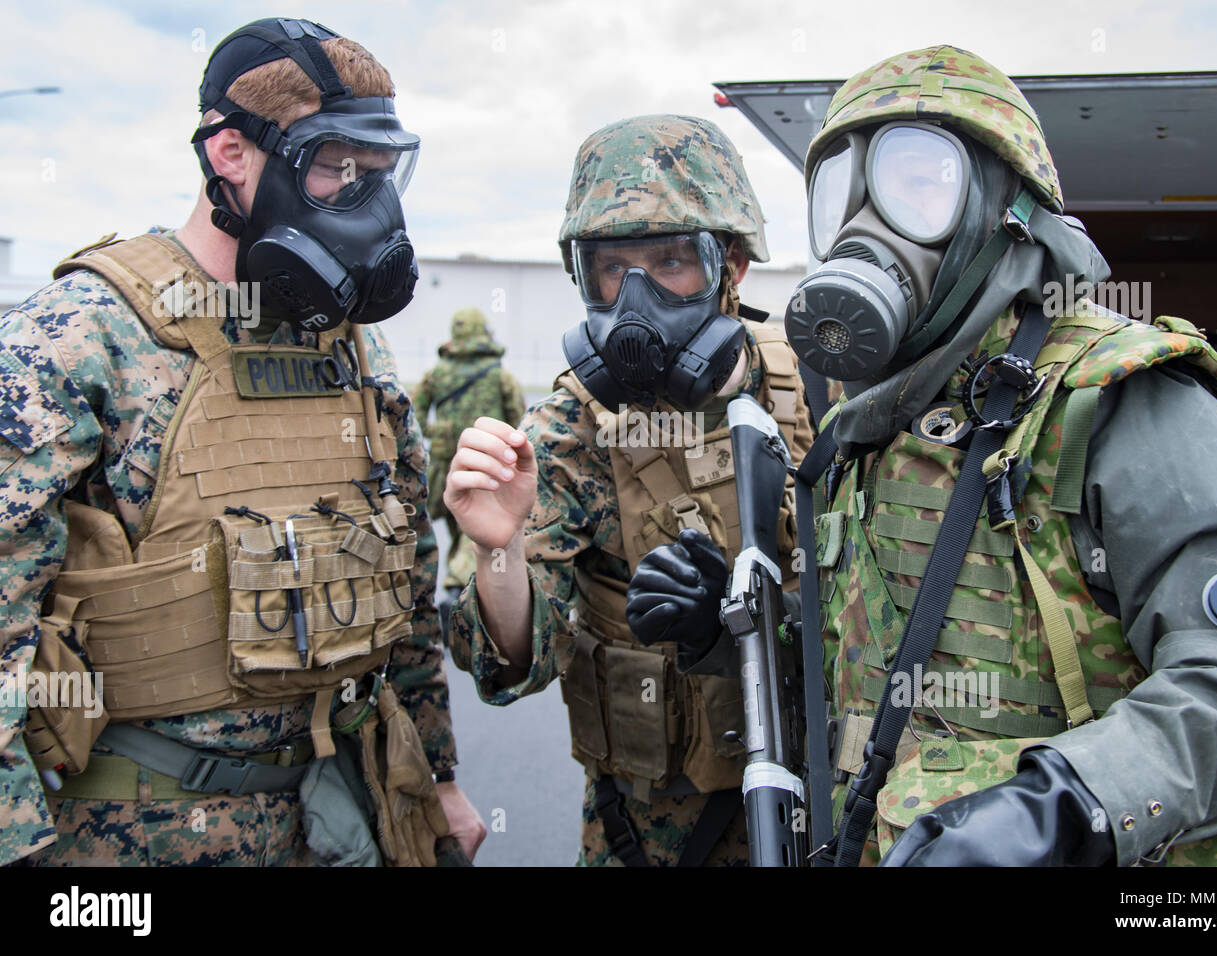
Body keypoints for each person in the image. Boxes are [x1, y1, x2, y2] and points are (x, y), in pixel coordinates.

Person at [787, 44, 1217, 866]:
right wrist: (730, 626)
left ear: (1006, 209)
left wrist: (1070, 810)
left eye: (916, 184)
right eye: (840, 197)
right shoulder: (865, 421)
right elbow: (861, 658)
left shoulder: (1119, 394)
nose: (863, 228)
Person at [0, 17, 485, 867]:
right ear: (231, 153)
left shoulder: (350, 346)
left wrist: (437, 778)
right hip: (133, 838)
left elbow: (402, 589)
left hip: (337, 816)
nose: (365, 202)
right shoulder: (82, 337)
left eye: (379, 173)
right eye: (336, 168)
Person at [443, 114, 814, 865]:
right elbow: (509, 665)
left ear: (731, 266)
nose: (637, 297)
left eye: (673, 260)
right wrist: (499, 551)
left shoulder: (818, 384)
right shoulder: (571, 426)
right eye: (614, 269)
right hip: (651, 836)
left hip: (822, 802)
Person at [412, 307, 526, 607]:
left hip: (443, 465)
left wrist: (434, 432)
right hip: (485, 461)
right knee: (473, 531)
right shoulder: (500, 375)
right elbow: (519, 421)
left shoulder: (437, 373)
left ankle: (458, 587)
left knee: (457, 525)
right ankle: (458, 586)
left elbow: (414, 410)